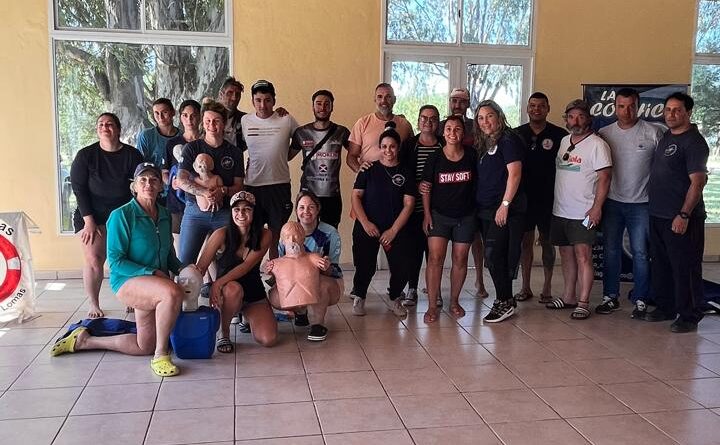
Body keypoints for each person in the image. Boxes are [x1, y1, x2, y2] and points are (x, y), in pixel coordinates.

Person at [52, 163, 185, 377]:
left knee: (144, 346)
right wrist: (152, 273)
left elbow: (168, 255)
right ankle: (161, 355)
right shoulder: (121, 215)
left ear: (161, 186)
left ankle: (84, 341)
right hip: (128, 281)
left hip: (154, 283)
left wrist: (185, 269)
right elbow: (115, 262)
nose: (148, 184)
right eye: (142, 180)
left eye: (153, 180)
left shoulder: (164, 214)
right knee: (171, 293)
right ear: (134, 187)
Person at [643, 92, 709, 333]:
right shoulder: (667, 136)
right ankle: (666, 306)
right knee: (661, 264)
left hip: (681, 217)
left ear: (688, 113)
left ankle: (690, 315)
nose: (671, 114)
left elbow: (698, 182)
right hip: (658, 213)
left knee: (685, 267)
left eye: (677, 110)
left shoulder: (694, 142)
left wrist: (684, 215)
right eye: (668, 110)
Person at [596, 88, 664, 317]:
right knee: (611, 250)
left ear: (639, 106)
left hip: (642, 204)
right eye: (621, 106)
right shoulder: (604, 133)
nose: (626, 111)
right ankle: (610, 296)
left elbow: (663, 169)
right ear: (615, 107)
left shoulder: (653, 132)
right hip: (613, 202)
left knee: (641, 253)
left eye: (631, 106)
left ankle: (641, 299)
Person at [70, 112, 143, 318]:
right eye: (100, 124)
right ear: (97, 130)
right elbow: (79, 189)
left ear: (118, 129)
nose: (105, 127)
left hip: (123, 215)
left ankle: (131, 297)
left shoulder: (132, 155)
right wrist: (89, 221)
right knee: (94, 258)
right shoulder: (85, 156)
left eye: (109, 124)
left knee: (127, 258)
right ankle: (94, 303)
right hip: (91, 214)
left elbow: (138, 187)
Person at [548, 99, 612, 320]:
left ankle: (583, 301)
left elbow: (605, 178)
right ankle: (569, 297)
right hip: (561, 210)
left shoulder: (597, 144)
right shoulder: (565, 141)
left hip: (583, 212)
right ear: (566, 119)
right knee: (566, 255)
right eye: (572, 116)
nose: (576, 121)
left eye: (581, 116)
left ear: (588, 119)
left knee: (583, 256)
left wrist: (597, 208)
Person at [196, 191, 277, 351]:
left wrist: (217, 282)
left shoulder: (265, 234)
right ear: (231, 212)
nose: (241, 213)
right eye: (236, 209)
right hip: (227, 294)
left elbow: (246, 266)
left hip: (253, 293)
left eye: (247, 209)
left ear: (254, 212)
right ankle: (223, 333)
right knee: (233, 289)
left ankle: (245, 317)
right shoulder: (220, 234)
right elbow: (201, 266)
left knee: (269, 339)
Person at [351, 124, 415, 317]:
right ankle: (359, 296)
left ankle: (394, 297)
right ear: (379, 148)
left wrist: (393, 231)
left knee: (402, 266)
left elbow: (409, 204)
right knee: (364, 265)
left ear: (398, 148)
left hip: (395, 228)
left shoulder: (406, 172)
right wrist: (365, 223)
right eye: (384, 146)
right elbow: (355, 197)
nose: (388, 151)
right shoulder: (368, 169)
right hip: (367, 225)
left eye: (393, 146)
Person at [421, 115, 477, 323]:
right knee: (435, 259)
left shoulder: (472, 155)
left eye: (457, 129)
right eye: (449, 129)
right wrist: (427, 214)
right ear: (443, 133)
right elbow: (426, 188)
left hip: (466, 216)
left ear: (463, 133)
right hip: (438, 215)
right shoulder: (434, 158)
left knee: (460, 258)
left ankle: (454, 301)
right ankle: (432, 305)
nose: (453, 133)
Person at [474, 100, 525, 323]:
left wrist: (504, 205)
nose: (485, 121)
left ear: (499, 117)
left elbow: (514, 174)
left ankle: (504, 300)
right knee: (495, 255)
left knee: (495, 255)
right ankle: (506, 299)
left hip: (503, 210)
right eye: (481, 118)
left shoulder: (508, 140)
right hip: (485, 209)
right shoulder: (485, 143)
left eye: (489, 116)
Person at [267, 191, 343, 341]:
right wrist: (271, 269)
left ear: (318, 209)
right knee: (277, 293)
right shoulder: (286, 233)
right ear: (296, 210)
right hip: (298, 280)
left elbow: (334, 270)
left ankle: (318, 324)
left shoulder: (330, 233)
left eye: (311, 207)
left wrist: (325, 266)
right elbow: (284, 267)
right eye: (301, 207)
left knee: (318, 282)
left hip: (326, 281)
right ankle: (300, 312)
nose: (306, 212)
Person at [514, 92, 568, 304]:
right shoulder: (516, 134)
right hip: (523, 198)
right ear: (527, 108)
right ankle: (525, 287)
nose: (536, 109)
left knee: (547, 242)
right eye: (533, 105)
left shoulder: (559, 135)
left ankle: (547, 287)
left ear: (548, 109)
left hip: (549, 198)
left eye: (541, 106)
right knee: (525, 242)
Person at [176, 100, 245, 264]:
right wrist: (204, 192)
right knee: (185, 262)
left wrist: (223, 191)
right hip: (195, 211)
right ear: (202, 122)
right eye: (207, 121)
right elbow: (181, 180)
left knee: (231, 260)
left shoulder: (234, 152)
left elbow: (239, 187)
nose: (211, 125)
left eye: (216, 121)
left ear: (224, 123)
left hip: (225, 211)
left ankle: (218, 288)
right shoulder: (192, 148)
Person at [439, 87, 489, 299]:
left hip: (472, 188)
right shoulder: (441, 126)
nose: (457, 104)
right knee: (438, 245)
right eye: (454, 101)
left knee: (475, 239)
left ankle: (479, 280)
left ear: (468, 104)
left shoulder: (475, 125)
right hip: (446, 190)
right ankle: (437, 285)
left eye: (462, 101)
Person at [241, 80, 300, 260]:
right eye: (258, 100)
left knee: (276, 235)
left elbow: (302, 140)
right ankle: (252, 276)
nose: (263, 105)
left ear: (274, 101)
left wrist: (286, 156)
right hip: (253, 185)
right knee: (253, 235)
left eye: (267, 100)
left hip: (279, 186)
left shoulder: (286, 119)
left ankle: (276, 278)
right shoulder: (245, 120)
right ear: (252, 101)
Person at [399, 105, 443, 307]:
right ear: (418, 121)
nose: (428, 122)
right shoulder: (408, 145)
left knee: (434, 253)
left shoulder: (444, 144)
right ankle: (412, 288)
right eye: (424, 118)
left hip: (438, 208)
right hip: (412, 208)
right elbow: (400, 173)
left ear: (438, 122)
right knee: (413, 250)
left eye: (433, 118)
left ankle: (436, 290)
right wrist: (416, 185)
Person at [291, 90, 351, 228]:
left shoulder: (341, 132)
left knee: (329, 237)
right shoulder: (301, 132)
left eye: (326, 104)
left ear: (332, 107)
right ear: (312, 107)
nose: (322, 108)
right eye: (318, 104)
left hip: (332, 195)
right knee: (305, 237)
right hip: (307, 195)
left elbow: (356, 153)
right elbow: (286, 156)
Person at [346, 83, 414, 173]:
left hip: (396, 180)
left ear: (394, 99)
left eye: (388, 97)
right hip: (369, 182)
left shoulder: (405, 125)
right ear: (374, 99)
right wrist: (359, 171)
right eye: (379, 97)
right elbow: (351, 156)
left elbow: (412, 153)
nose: (383, 101)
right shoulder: (362, 123)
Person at [164, 99, 202, 249]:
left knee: (204, 247)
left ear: (200, 116)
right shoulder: (172, 143)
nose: (189, 119)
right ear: (180, 117)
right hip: (176, 203)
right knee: (181, 248)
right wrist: (170, 181)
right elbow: (164, 172)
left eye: (193, 115)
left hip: (200, 200)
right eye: (185, 115)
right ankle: (183, 273)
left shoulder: (206, 142)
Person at [136, 98, 180, 170]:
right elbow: (140, 164)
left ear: (173, 112)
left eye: (164, 112)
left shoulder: (182, 136)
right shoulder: (146, 136)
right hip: (151, 178)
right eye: (156, 113)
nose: (160, 117)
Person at [217, 77, 247, 149]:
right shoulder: (209, 117)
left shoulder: (244, 119)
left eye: (237, 94)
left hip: (235, 159)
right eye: (230, 93)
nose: (234, 98)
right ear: (221, 94)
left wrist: (275, 115)